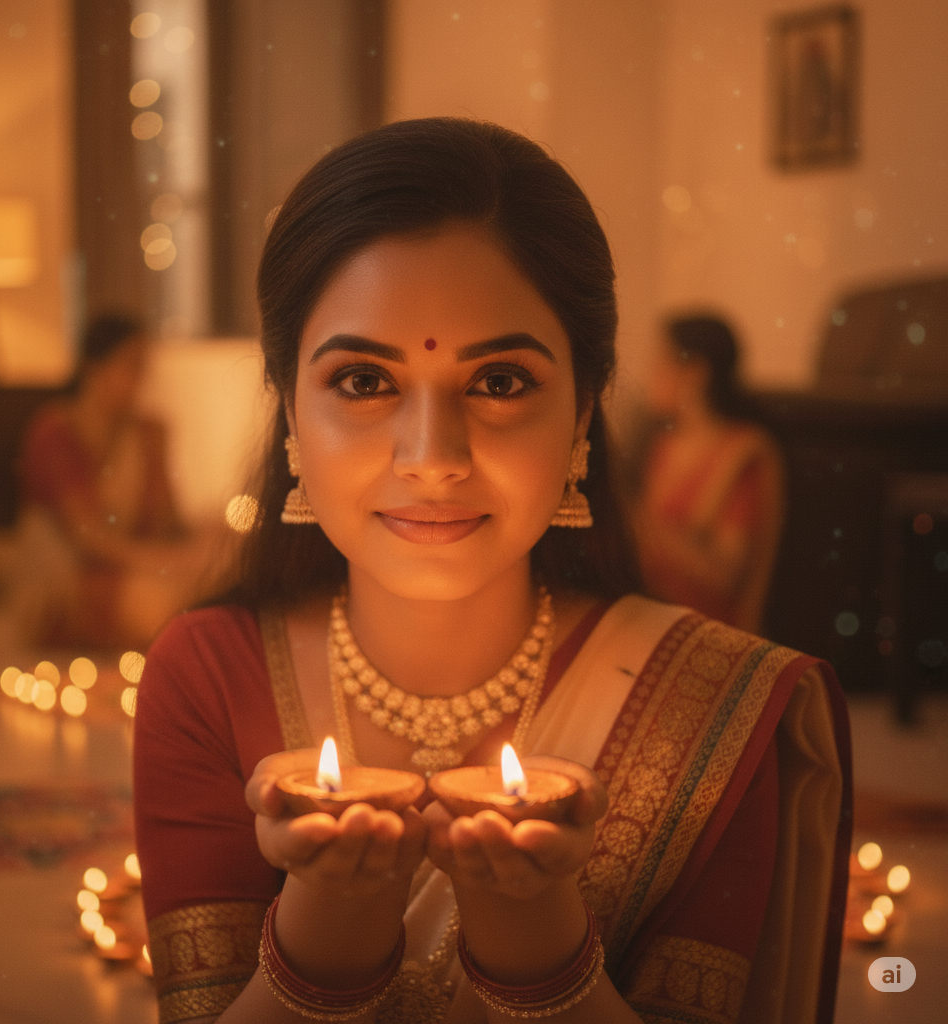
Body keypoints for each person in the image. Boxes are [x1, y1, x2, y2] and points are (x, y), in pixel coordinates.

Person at [133, 119, 850, 1024]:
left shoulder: (714, 708)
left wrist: (536, 935)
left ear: (584, 410)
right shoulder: (205, 676)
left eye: (501, 382)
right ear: (288, 411)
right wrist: (328, 924)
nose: (433, 458)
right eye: (363, 381)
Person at [16, 313, 219, 648]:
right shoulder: (54, 434)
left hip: (136, 566)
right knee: (163, 608)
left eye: (144, 367)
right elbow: (89, 539)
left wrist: (208, 535)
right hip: (69, 580)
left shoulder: (147, 433)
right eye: (132, 366)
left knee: (223, 572)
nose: (142, 378)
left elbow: (169, 525)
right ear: (94, 369)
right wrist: (169, 562)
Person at [629, 317, 785, 633]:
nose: (651, 376)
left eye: (661, 364)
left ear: (696, 373)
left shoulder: (742, 451)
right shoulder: (662, 444)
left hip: (710, 632)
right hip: (653, 616)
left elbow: (725, 576)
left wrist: (640, 522)